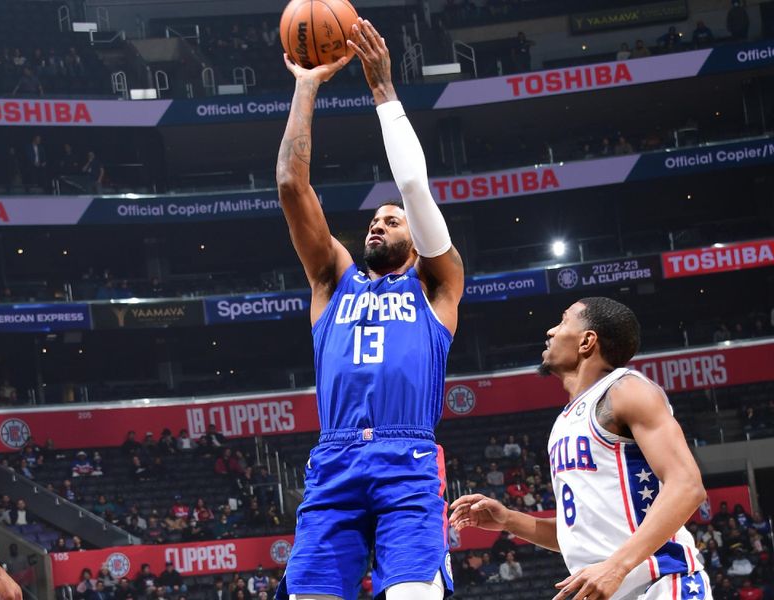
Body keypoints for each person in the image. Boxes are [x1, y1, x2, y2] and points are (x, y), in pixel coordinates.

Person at [274, 17, 464, 600]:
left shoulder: (437, 285)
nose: (377, 224)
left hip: (406, 460)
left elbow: (415, 188)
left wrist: (384, 93)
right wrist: (306, 83)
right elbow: (290, 183)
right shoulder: (334, 280)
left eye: (391, 220)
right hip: (334, 460)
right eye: (373, 220)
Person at [451, 297, 710, 599]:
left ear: (587, 341)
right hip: (611, 588)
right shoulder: (564, 421)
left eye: (562, 321)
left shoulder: (626, 390)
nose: (550, 330)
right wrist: (509, 519)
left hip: (664, 585)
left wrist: (616, 567)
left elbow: (688, 486)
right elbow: (581, 534)